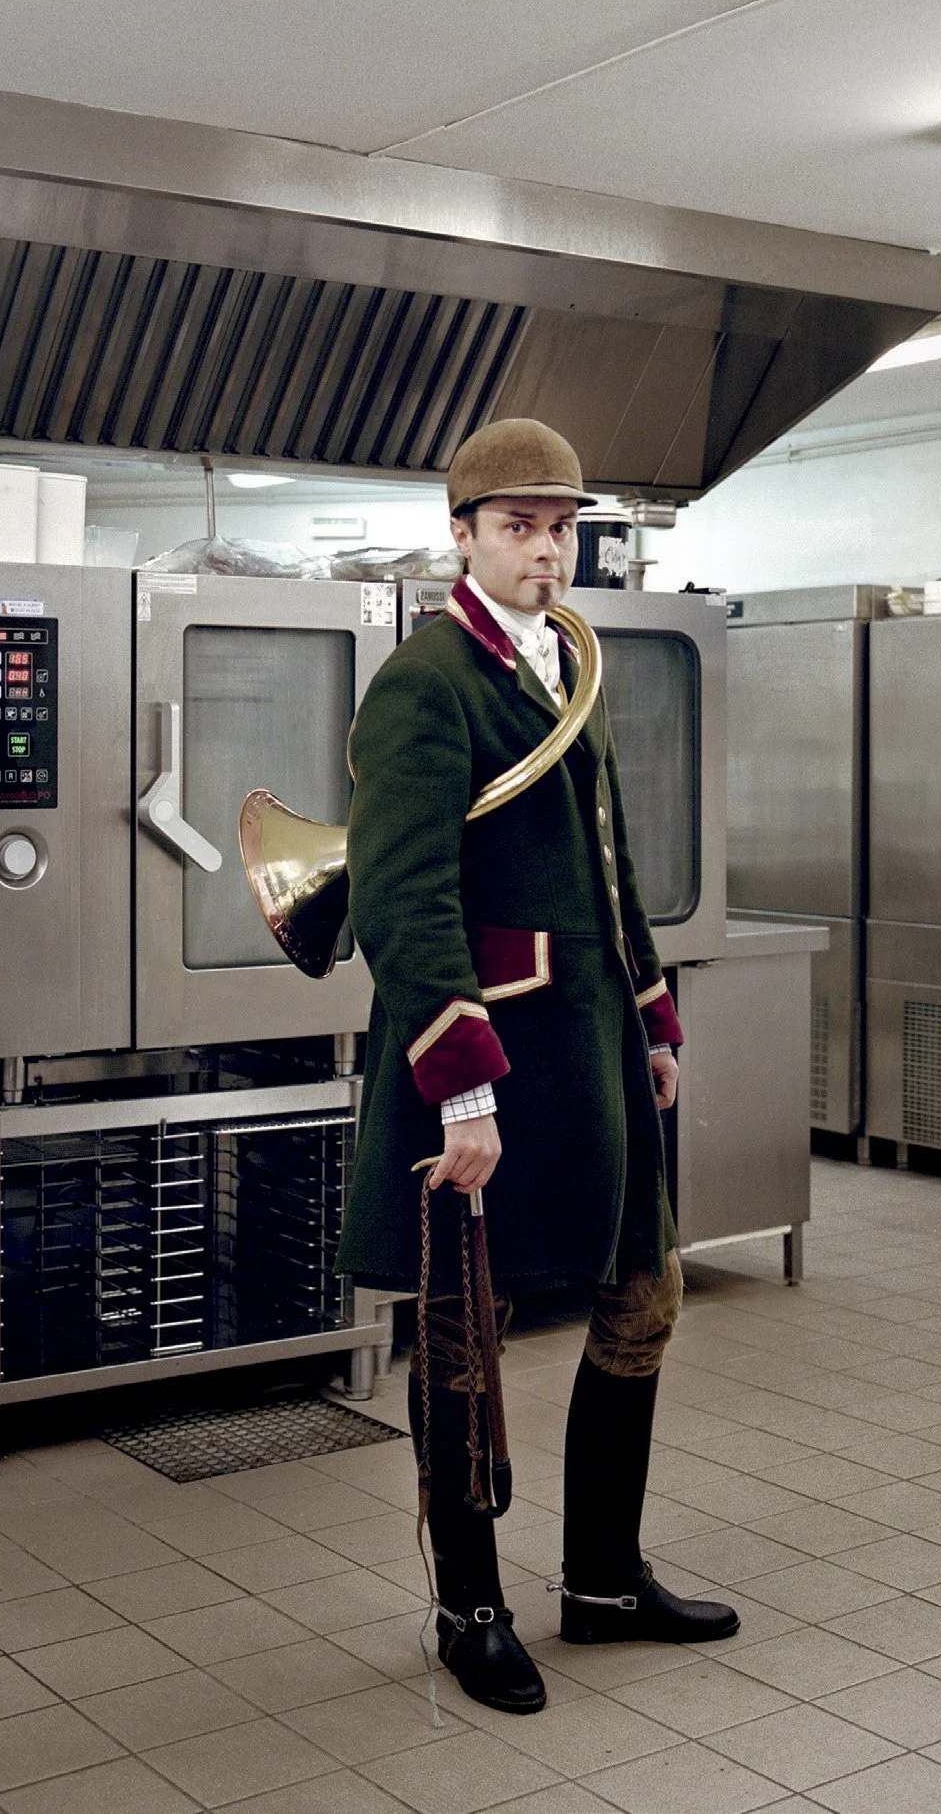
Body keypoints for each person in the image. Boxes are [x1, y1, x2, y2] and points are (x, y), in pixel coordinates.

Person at [334, 417, 738, 1716]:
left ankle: (604, 1581)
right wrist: (459, 1083)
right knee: (466, 1337)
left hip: (593, 1054)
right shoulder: (424, 681)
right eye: (519, 526)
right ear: (461, 532)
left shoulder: (569, 663)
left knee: (643, 1298)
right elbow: (401, 897)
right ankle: (467, 1607)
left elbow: (603, 856)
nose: (546, 551)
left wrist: (652, 1014)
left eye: (562, 528)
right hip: (487, 1069)